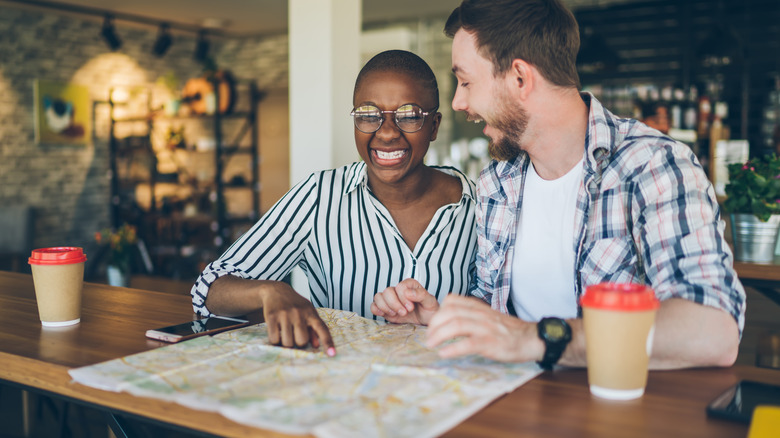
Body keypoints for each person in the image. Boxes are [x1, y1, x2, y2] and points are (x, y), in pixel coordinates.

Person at [372, 0, 745, 370]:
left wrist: (542, 340)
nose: (457, 102)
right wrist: (445, 320)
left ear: (520, 78)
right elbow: (500, 313)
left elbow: (714, 331)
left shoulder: (653, 166)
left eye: (466, 81)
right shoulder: (497, 183)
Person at [191, 50, 477, 356]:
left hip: (443, 391)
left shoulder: (477, 206)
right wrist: (271, 290)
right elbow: (208, 290)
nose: (388, 132)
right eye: (369, 114)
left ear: (434, 126)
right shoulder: (319, 196)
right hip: (344, 391)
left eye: (408, 116)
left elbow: (497, 316)